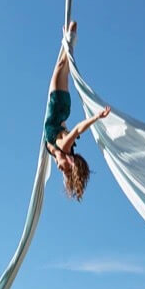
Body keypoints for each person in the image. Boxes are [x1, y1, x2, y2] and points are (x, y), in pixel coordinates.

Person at [44, 21, 111, 200]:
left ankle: (68, 39)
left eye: (63, 172)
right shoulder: (64, 146)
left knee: (62, 64)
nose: (60, 168)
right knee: (61, 66)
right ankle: (70, 39)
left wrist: (69, 177)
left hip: (60, 107)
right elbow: (79, 129)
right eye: (66, 168)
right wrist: (96, 117)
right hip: (58, 102)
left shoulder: (54, 152)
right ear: (71, 160)